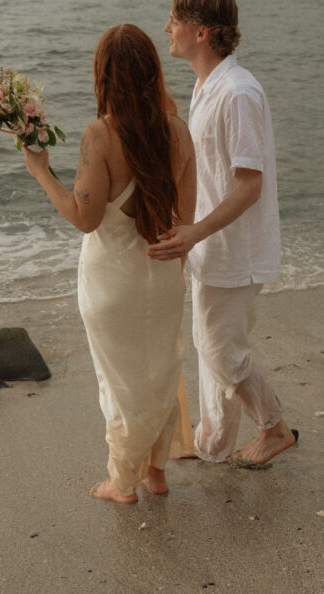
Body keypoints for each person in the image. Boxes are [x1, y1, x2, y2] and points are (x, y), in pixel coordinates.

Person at [24, 24, 197, 503]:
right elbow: (187, 219)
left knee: (120, 384)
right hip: (163, 277)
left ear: (104, 76)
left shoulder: (100, 136)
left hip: (111, 284)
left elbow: (84, 218)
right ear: (153, 72)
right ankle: (156, 473)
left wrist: (42, 173)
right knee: (160, 374)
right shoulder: (179, 130)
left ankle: (122, 483)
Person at [148, 0, 297, 466]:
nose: (166, 26)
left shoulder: (238, 93)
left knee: (221, 352)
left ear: (202, 33)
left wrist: (194, 232)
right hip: (211, 245)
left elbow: (249, 186)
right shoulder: (206, 86)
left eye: (175, 19)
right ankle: (213, 443)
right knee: (209, 345)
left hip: (235, 247)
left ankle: (274, 429)